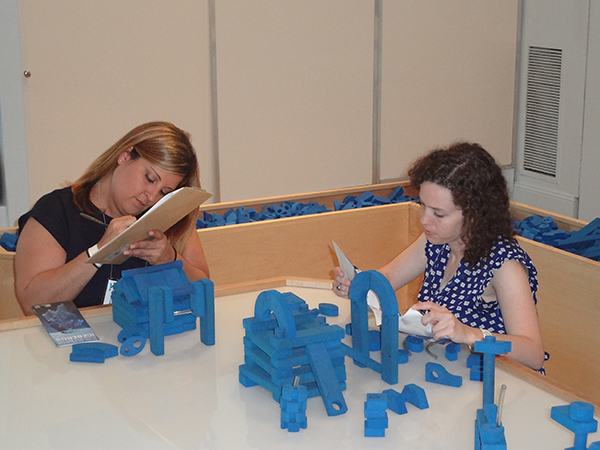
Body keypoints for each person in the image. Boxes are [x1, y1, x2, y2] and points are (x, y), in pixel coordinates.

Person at [333, 142, 546, 371]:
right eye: (423, 205)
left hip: (493, 378)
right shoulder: (436, 240)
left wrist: (468, 333)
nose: (425, 219)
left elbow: (534, 353)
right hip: (446, 365)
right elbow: (387, 278)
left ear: (475, 215)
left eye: (439, 214)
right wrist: (358, 283)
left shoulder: (505, 266)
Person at [15, 121, 210, 315]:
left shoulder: (166, 215)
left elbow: (205, 290)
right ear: (124, 156)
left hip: (146, 338)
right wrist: (98, 253)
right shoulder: (57, 210)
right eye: (149, 178)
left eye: (164, 192)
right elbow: (32, 304)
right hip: (76, 342)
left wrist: (171, 260)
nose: (151, 196)